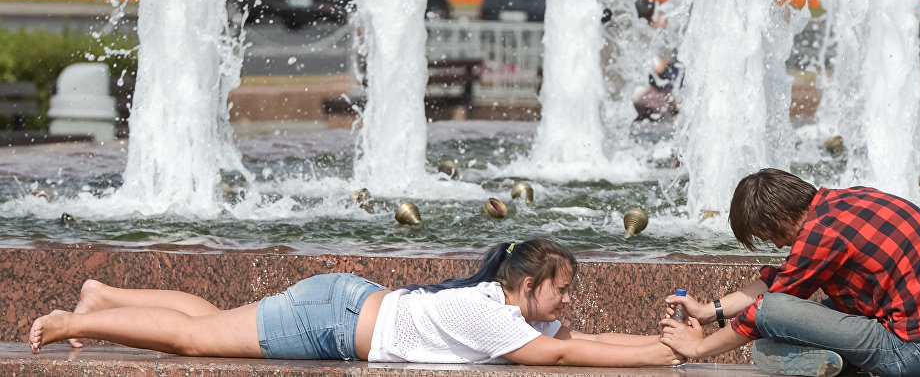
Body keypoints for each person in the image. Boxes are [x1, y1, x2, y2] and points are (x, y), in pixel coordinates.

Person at [29, 238, 683, 367]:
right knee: (196, 339)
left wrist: (662, 345)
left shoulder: (503, 307)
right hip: (332, 321)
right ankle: (73, 320)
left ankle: (103, 292)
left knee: (208, 320)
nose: (568, 298)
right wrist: (666, 353)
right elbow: (572, 354)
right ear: (529, 284)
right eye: (562, 286)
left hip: (342, 307)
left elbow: (586, 342)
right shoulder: (493, 316)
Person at [660, 168, 920, 377]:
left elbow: (768, 307)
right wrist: (708, 311)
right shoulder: (849, 201)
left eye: (769, 236)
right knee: (775, 326)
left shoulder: (822, 233)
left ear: (782, 219)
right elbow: (779, 279)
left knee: (768, 322)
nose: (775, 246)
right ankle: (833, 364)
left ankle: (830, 363)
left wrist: (697, 348)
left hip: (917, 356)